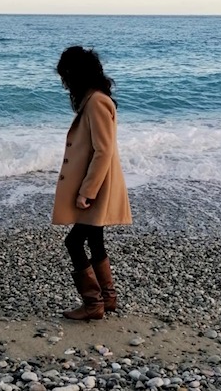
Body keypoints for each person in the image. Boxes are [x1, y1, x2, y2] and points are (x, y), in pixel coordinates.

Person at [53, 45, 132, 320]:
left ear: (76, 74)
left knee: (74, 243)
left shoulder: (97, 102)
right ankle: (107, 299)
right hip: (98, 185)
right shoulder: (94, 99)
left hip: (97, 187)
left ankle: (92, 303)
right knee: (95, 239)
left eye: (66, 75)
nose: (64, 82)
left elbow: (103, 150)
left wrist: (87, 192)